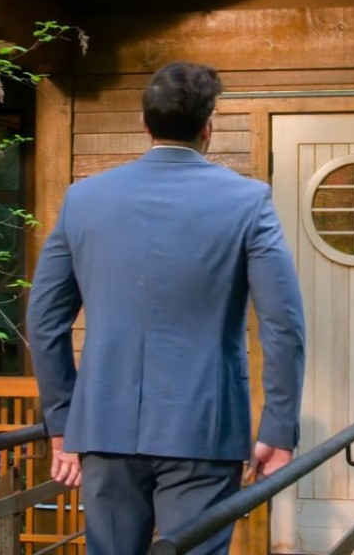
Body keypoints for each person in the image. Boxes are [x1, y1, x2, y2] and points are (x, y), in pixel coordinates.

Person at [26, 61, 306, 555]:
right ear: (208, 127)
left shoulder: (84, 199)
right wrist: (278, 430)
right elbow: (282, 325)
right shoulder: (248, 201)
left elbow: (46, 320)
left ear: (144, 124)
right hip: (204, 426)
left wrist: (64, 422)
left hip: (103, 427)